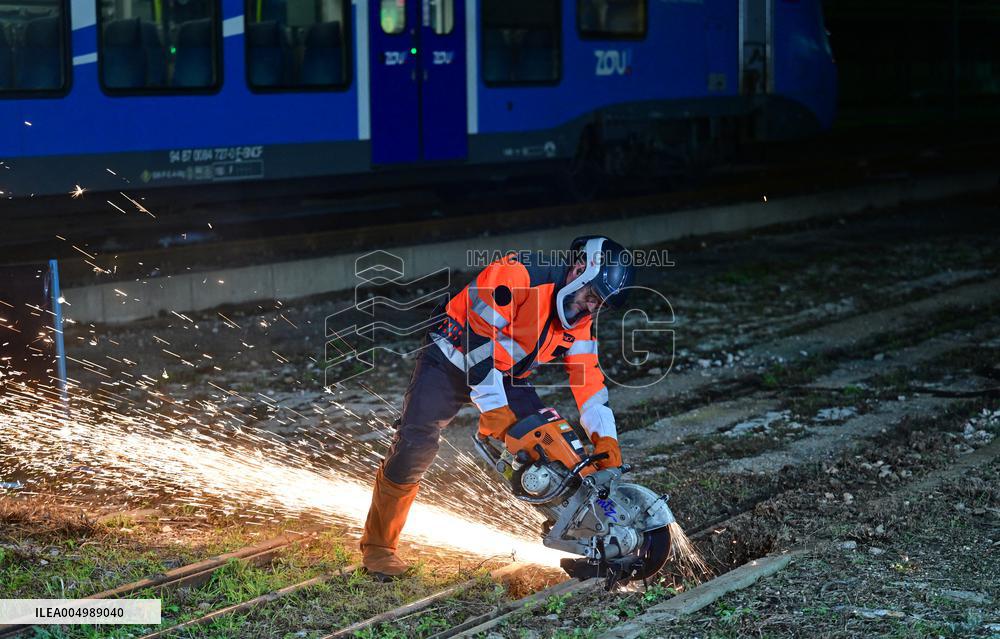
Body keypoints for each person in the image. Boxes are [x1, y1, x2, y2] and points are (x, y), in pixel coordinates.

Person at [360, 235, 635, 579]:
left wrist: (605, 439)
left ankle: (587, 538)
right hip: (449, 358)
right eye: (592, 296)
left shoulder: (581, 321)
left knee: (555, 448)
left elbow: (589, 382)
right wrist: (494, 409)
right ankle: (378, 547)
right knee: (417, 443)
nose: (592, 308)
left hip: (505, 374)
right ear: (580, 269)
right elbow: (478, 341)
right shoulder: (516, 275)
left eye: (600, 304)